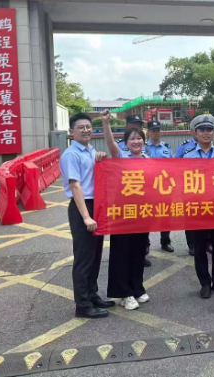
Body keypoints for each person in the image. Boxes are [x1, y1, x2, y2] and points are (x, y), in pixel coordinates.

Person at [60, 113, 114, 319]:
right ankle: (82, 305)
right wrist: (86, 217)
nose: (85, 130)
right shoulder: (70, 155)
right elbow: (75, 185)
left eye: (88, 127)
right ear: (71, 132)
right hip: (83, 207)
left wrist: (100, 157)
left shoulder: (90, 150)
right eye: (80, 127)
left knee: (95, 255)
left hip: (96, 205)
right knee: (83, 258)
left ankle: (92, 295)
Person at [103, 110, 151, 310]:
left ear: (143, 142)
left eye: (139, 138)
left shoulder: (149, 160)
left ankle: (137, 288)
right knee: (122, 253)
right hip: (122, 214)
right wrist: (106, 124)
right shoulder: (121, 157)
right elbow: (110, 145)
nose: (136, 142)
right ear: (126, 143)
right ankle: (124, 293)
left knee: (139, 252)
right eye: (132, 139)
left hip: (142, 213)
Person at [183, 114, 214, 299]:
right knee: (200, 248)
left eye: (209, 130)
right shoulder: (188, 156)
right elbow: (183, 182)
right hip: (197, 209)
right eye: (202, 130)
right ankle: (204, 283)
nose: (206, 133)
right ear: (196, 133)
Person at [144, 120, 174, 253]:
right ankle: (145, 244)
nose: (156, 133)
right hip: (148, 187)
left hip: (164, 186)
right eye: (153, 130)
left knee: (165, 215)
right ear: (149, 132)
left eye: (158, 130)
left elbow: (173, 166)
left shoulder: (166, 148)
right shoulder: (144, 147)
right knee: (147, 215)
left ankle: (165, 242)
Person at [174, 122, 198, 255]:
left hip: (207, 189)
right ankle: (192, 245)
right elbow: (175, 165)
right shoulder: (184, 147)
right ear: (193, 131)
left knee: (207, 216)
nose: (202, 133)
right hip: (189, 187)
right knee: (190, 217)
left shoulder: (213, 148)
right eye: (198, 130)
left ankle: (207, 243)